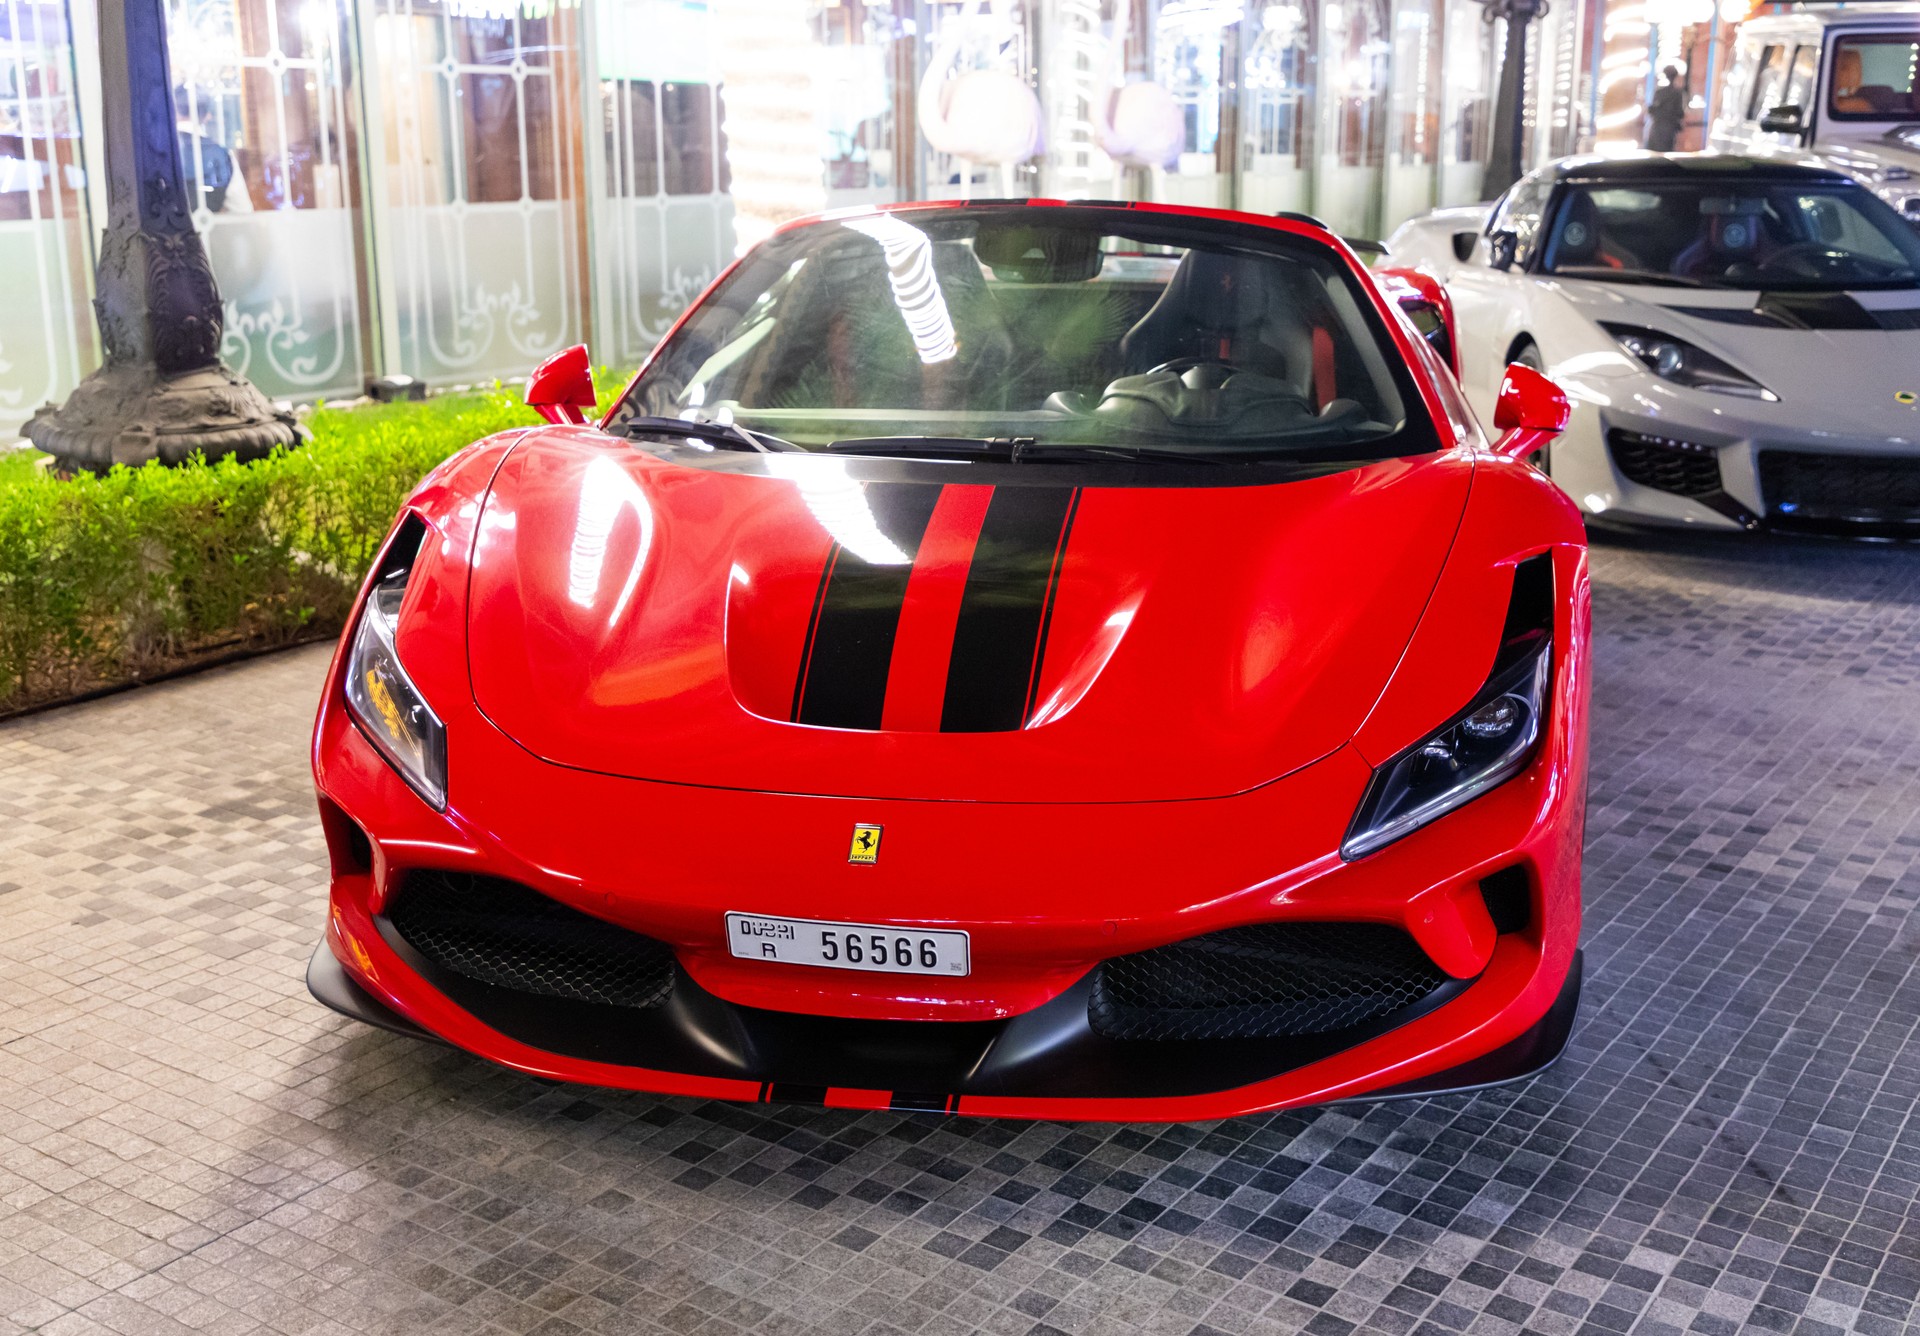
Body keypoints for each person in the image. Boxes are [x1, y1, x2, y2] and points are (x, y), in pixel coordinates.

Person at [1646, 65, 1687, 153]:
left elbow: (1652, 110)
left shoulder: (1660, 92)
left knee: (1656, 153)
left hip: (1659, 127)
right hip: (1668, 128)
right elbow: (1680, 112)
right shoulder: (1677, 93)